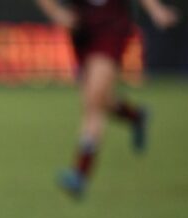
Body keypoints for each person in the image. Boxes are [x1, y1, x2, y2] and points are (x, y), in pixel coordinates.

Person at [35, 0, 178, 198]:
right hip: (82, 28)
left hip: (112, 26)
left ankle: (80, 173)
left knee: (93, 101)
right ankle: (136, 116)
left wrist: (156, 10)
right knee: (101, 99)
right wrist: (55, 12)